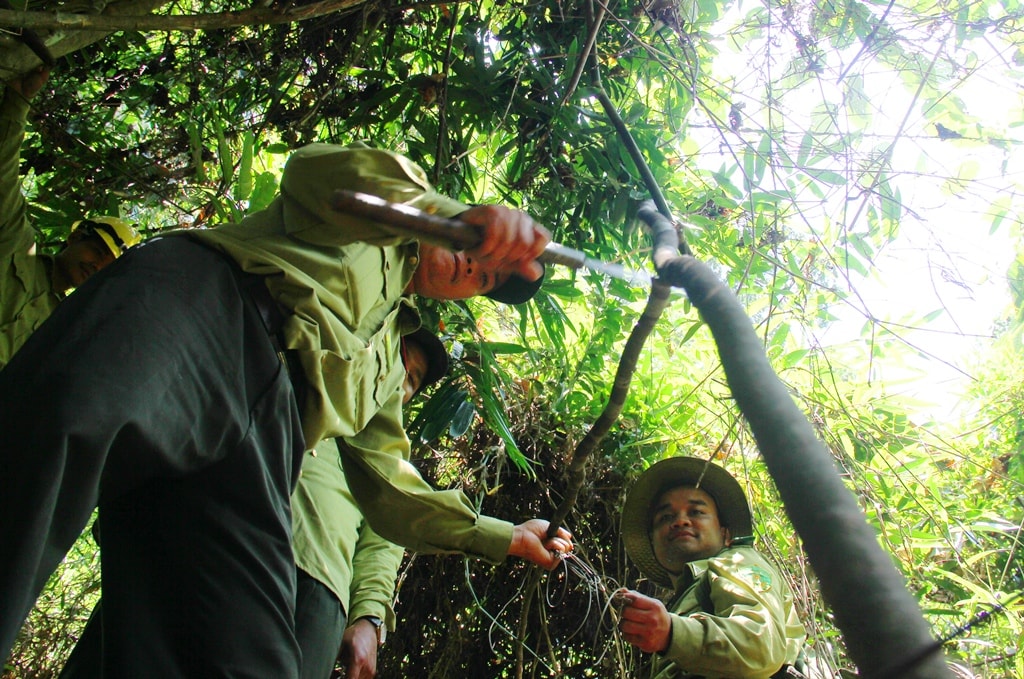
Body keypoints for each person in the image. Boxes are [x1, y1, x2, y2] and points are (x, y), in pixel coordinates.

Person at [0, 142, 571, 677]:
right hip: (209, 305)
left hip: (266, 437)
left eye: (490, 280)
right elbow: (316, 173)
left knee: (248, 653)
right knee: (57, 438)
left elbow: (391, 488)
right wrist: (459, 215)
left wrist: (505, 537)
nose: (477, 270)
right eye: (483, 255)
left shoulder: (389, 366)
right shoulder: (383, 214)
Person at [56, 326, 450, 679]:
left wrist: (369, 618)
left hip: (312, 585)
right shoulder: (292, 370)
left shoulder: (393, 466)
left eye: (411, 379)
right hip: (207, 537)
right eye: (396, 359)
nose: (399, 380)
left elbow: (385, 543)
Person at [0, 67, 142, 369]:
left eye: (109, 265)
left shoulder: (62, 333)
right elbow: (3, 178)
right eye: (99, 250)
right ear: (75, 237)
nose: (97, 265)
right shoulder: (16, 243)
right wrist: (18, 103)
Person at [616, 457, 806, 678]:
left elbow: (761, 646)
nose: (680, 521)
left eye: (696, 512)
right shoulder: (682, 601)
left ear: (725, 534)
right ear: (652, 542)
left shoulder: (736, 560)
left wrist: (671, 633)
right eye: (666, 517)